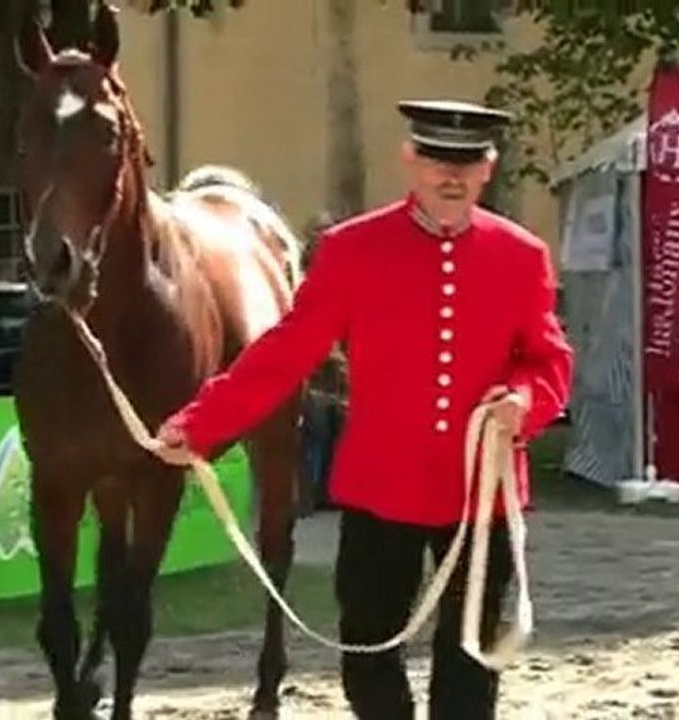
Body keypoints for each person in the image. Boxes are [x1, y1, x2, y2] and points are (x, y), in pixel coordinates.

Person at [154, 100, 574, 719]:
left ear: (488, 168)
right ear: (411, 159)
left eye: (466, 161)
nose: (449, 175)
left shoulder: (522, 254)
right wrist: (201, 423)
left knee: (471, 660)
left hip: (481, 490)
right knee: (367, 654)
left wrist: (525, 400)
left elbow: (547, 358)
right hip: (383, 486)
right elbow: (287, 349)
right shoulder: (353, 249)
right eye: (435, 158)